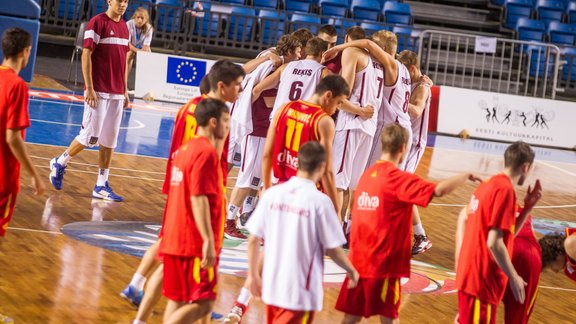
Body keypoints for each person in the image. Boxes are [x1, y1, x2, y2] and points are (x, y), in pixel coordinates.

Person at [122, 61, 244, 324]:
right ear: (222, 87)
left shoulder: (187, 108)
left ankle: (140, 303)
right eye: (237, 85)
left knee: (170, 260)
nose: (240, 90)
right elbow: (214, 163)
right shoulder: (218, 121)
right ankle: (191, 308)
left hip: (179, 184)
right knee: (189, 279)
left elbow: (175, 149)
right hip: (201, 195)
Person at [225, 75, 350, 323]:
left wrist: (268, 188)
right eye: (338, 104)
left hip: (280, 189)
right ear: (328, 96)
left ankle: (239, 306)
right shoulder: (324, 121)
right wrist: (336, 209)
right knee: (303, 260)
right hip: (307, 194)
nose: (336, 110)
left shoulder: (285, 108)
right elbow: (326, 169)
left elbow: (267, 153)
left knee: (268, 252)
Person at [335, 124, 480, 324]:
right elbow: (437, 191)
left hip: (359, 261)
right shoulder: (398, 179)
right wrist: (465, 176)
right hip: (385, 265)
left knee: (351, 317)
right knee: (389, 317)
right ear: (403, 148)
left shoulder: (366, 177)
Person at [245, 141, 359, 324]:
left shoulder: (273, 194)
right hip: (301, 292)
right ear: (322, 167)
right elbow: (332, 249)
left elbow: (252, 240)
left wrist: (253, 275)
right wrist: (351, 270)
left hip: (273, 286)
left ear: (297, 162)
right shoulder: (321, 202)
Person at [49, 0, 130, 202]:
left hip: (117, 93)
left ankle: (101, 184)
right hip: (98, 91)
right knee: (89, 137)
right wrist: (90, 87)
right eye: (119, 1)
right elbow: (86, 55)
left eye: (126, 1)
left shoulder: (125, 27)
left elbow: (124, 61)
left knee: (109, 141)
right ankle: (60, 162)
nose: (123, 5)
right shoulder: (97, 23)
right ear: (109, 1)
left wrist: (125, 89)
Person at [159, 98, 230, 323]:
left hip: (175, 238)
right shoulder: (206, 153)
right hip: (194, 242)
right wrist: (208, 239)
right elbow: (198, 197)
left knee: (178, 300)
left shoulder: (184, 150)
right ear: (213, 123)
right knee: (205, 302)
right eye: (226, 121)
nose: (229, 127)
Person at [455, 142, 542, 324]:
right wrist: (514, 276)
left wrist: (527, 208)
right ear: (525, 167)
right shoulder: (505, 191)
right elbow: (494, 242)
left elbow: (508, 235)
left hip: (474, 277)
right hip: (481, 280)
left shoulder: (489, 185)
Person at [225, 35, 302, 240]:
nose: (300, 55)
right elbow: (258, 93)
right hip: (255, 127)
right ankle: (228, 220)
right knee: (245, 176)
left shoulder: (275, 60)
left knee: (256, 178)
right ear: (289, 51)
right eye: (297, 51)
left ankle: (245, 216)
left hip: (261, 127)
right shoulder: (273, 64)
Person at [0, 27, 46, 322]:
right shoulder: (17, 86)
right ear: (25, 52)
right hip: (3, 177)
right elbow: (13, 137)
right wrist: (34, 174)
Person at [501, 209, 566, 324]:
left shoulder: (526, 220)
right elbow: (517, 318)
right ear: (559, 255)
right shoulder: (532, 265)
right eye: (567, 261)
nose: (564, 268)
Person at [397, 50, 433, 255]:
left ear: (411, 68)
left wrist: (395, 100)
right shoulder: (414, 82)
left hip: (415, 143)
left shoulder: (422, 87)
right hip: (404, 140)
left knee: (403, 190)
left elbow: (417, 111)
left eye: (405, 70)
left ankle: (421, 236)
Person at [254, 37, 330, 120]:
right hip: (301, 121)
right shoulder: (323, 71)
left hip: (280, 119)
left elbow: (257, 89)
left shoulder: (285, 67)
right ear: (323, 53)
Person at [126, 7, 153, 76]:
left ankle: (144, 79)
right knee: (129, 55)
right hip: (130, 46)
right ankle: (124, 81)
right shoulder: (128, 24)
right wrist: (137, 50)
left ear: (146, 19)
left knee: (148, 53)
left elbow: (146, 46)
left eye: (142, 18)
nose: (140, 20)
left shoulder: (149, 28)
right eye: (138, 17)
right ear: (134, 18)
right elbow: (127, 43)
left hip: (141, 47)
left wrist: (142, 52)